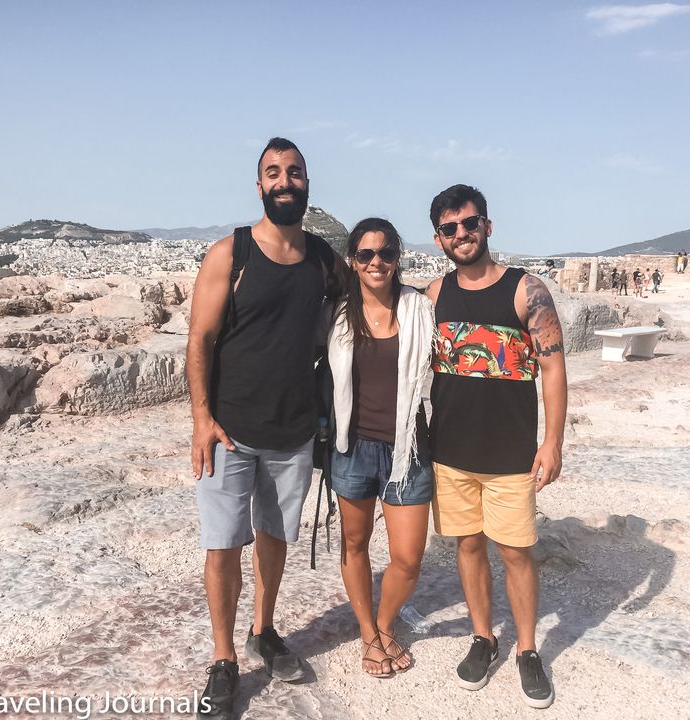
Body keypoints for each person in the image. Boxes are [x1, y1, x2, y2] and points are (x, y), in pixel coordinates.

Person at [186, 137, 344, 720]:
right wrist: (201, 419)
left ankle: (264, 630)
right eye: (273, 173)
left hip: (292, 429)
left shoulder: (323, 259)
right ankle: (223, 658)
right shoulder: (231, 253)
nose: (284, 181)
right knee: (223, 544)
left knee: (275, 536)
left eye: (294, 172)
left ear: (307, 183)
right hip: (229, 428)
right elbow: (199, 339)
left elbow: (363, 301)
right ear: (259, 186)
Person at [425, 185, 567, 709]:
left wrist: (552, 442)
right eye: (449, 228)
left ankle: (527, 649)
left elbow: (553, 367)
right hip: (450, 451)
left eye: (469, 223)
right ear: (438, 238)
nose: (461, 234)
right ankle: (483, 637)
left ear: (487, 225)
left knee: (516, 552)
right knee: (467, 546)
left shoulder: (526, 290)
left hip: (510, 453)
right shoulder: (434, 295)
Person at [327, 217, 436, 678]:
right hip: (352, 447)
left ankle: (386, 623)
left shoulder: (420, 308)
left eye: (386, 253)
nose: (377, 262)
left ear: (397, 259)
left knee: (408, 558)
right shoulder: (336, 314)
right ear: (353, 261)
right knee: (355, 544)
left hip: (408, 449)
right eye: (366, 254)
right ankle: (369, 633)